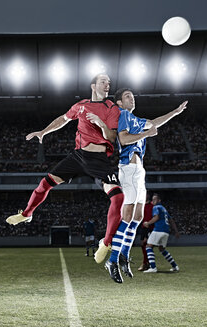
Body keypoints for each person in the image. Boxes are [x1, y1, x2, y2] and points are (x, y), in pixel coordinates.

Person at [6, 73, 124, 259]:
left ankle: (106, 242)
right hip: (78, 157)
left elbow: (111, 137)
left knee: (118, 198)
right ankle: (27, 214)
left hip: (98, 160)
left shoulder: (112, 108)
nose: (107, 84)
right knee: (45, 183)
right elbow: (63, 119)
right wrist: (44, 131)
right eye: (103, 81)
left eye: (109, 82)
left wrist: (100, 124)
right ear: (93, 86)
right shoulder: (81, 105)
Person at [103, 88, 187, 283]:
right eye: (127, 96)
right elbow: (123, 139)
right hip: (129, 169)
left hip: (139, 171)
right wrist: (147, 134)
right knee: (127, 216)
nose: (131, 98)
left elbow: (155, 122)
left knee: (138, 217)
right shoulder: (123, 115)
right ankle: (113, 260)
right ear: (120, 104)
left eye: (132, 95)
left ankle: (123, 256)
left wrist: (174, 112)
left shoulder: (137, 120)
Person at [143, 193, 180, 273]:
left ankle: (153, 267)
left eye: (155, 199)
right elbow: (171, 221)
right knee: (161, 249)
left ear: (159, 200)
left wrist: (148, 223)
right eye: (152, 200)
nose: (153, 201)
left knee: (148, 246)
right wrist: (176, 231)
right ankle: (175, 266)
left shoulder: (156, 207)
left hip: (158, 229)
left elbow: (156, 217)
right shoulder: (164, 209)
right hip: (166, 231)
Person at [138, 192, 154, 271]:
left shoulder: (152, 205)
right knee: (142, 244)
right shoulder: (142, 205)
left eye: (146, 194)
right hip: (143, 227)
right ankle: (147, 263)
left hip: (150, 227)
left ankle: (146, 263)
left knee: (147, 244)